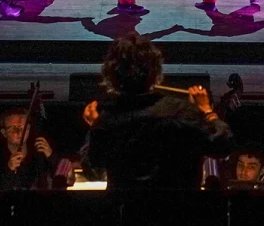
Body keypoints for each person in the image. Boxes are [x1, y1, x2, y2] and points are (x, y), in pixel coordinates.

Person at [81, 35, 235, 190]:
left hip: (128, 212)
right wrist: (207, 110)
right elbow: (223, 145)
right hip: (178, 211)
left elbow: (93, 172)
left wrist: (95, 126)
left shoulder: (107, 121)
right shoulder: (181, 112)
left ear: (111, 75)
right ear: (155, 71)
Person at [0, 107, 57, 191]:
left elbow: (61, 179)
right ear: (4, 133)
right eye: (13, 128)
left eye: (23, 127)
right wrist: (9, 169)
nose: (19, 132)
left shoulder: (38, 154)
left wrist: (51, 157)